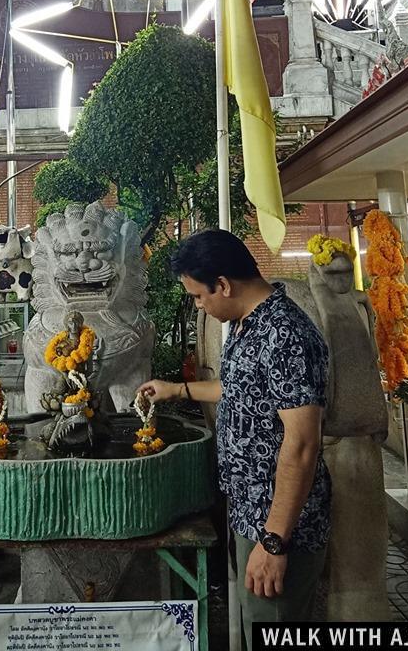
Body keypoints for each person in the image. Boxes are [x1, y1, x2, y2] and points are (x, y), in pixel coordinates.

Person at [139, 230, 330, 644]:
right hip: (247, 512)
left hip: (277, 523)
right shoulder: (246, 325)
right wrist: (178, 389)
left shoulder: (285, 335)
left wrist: (274, 543)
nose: (199, 306)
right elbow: (242, 389)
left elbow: (302, 444)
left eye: (198, 296)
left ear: (223, 284)